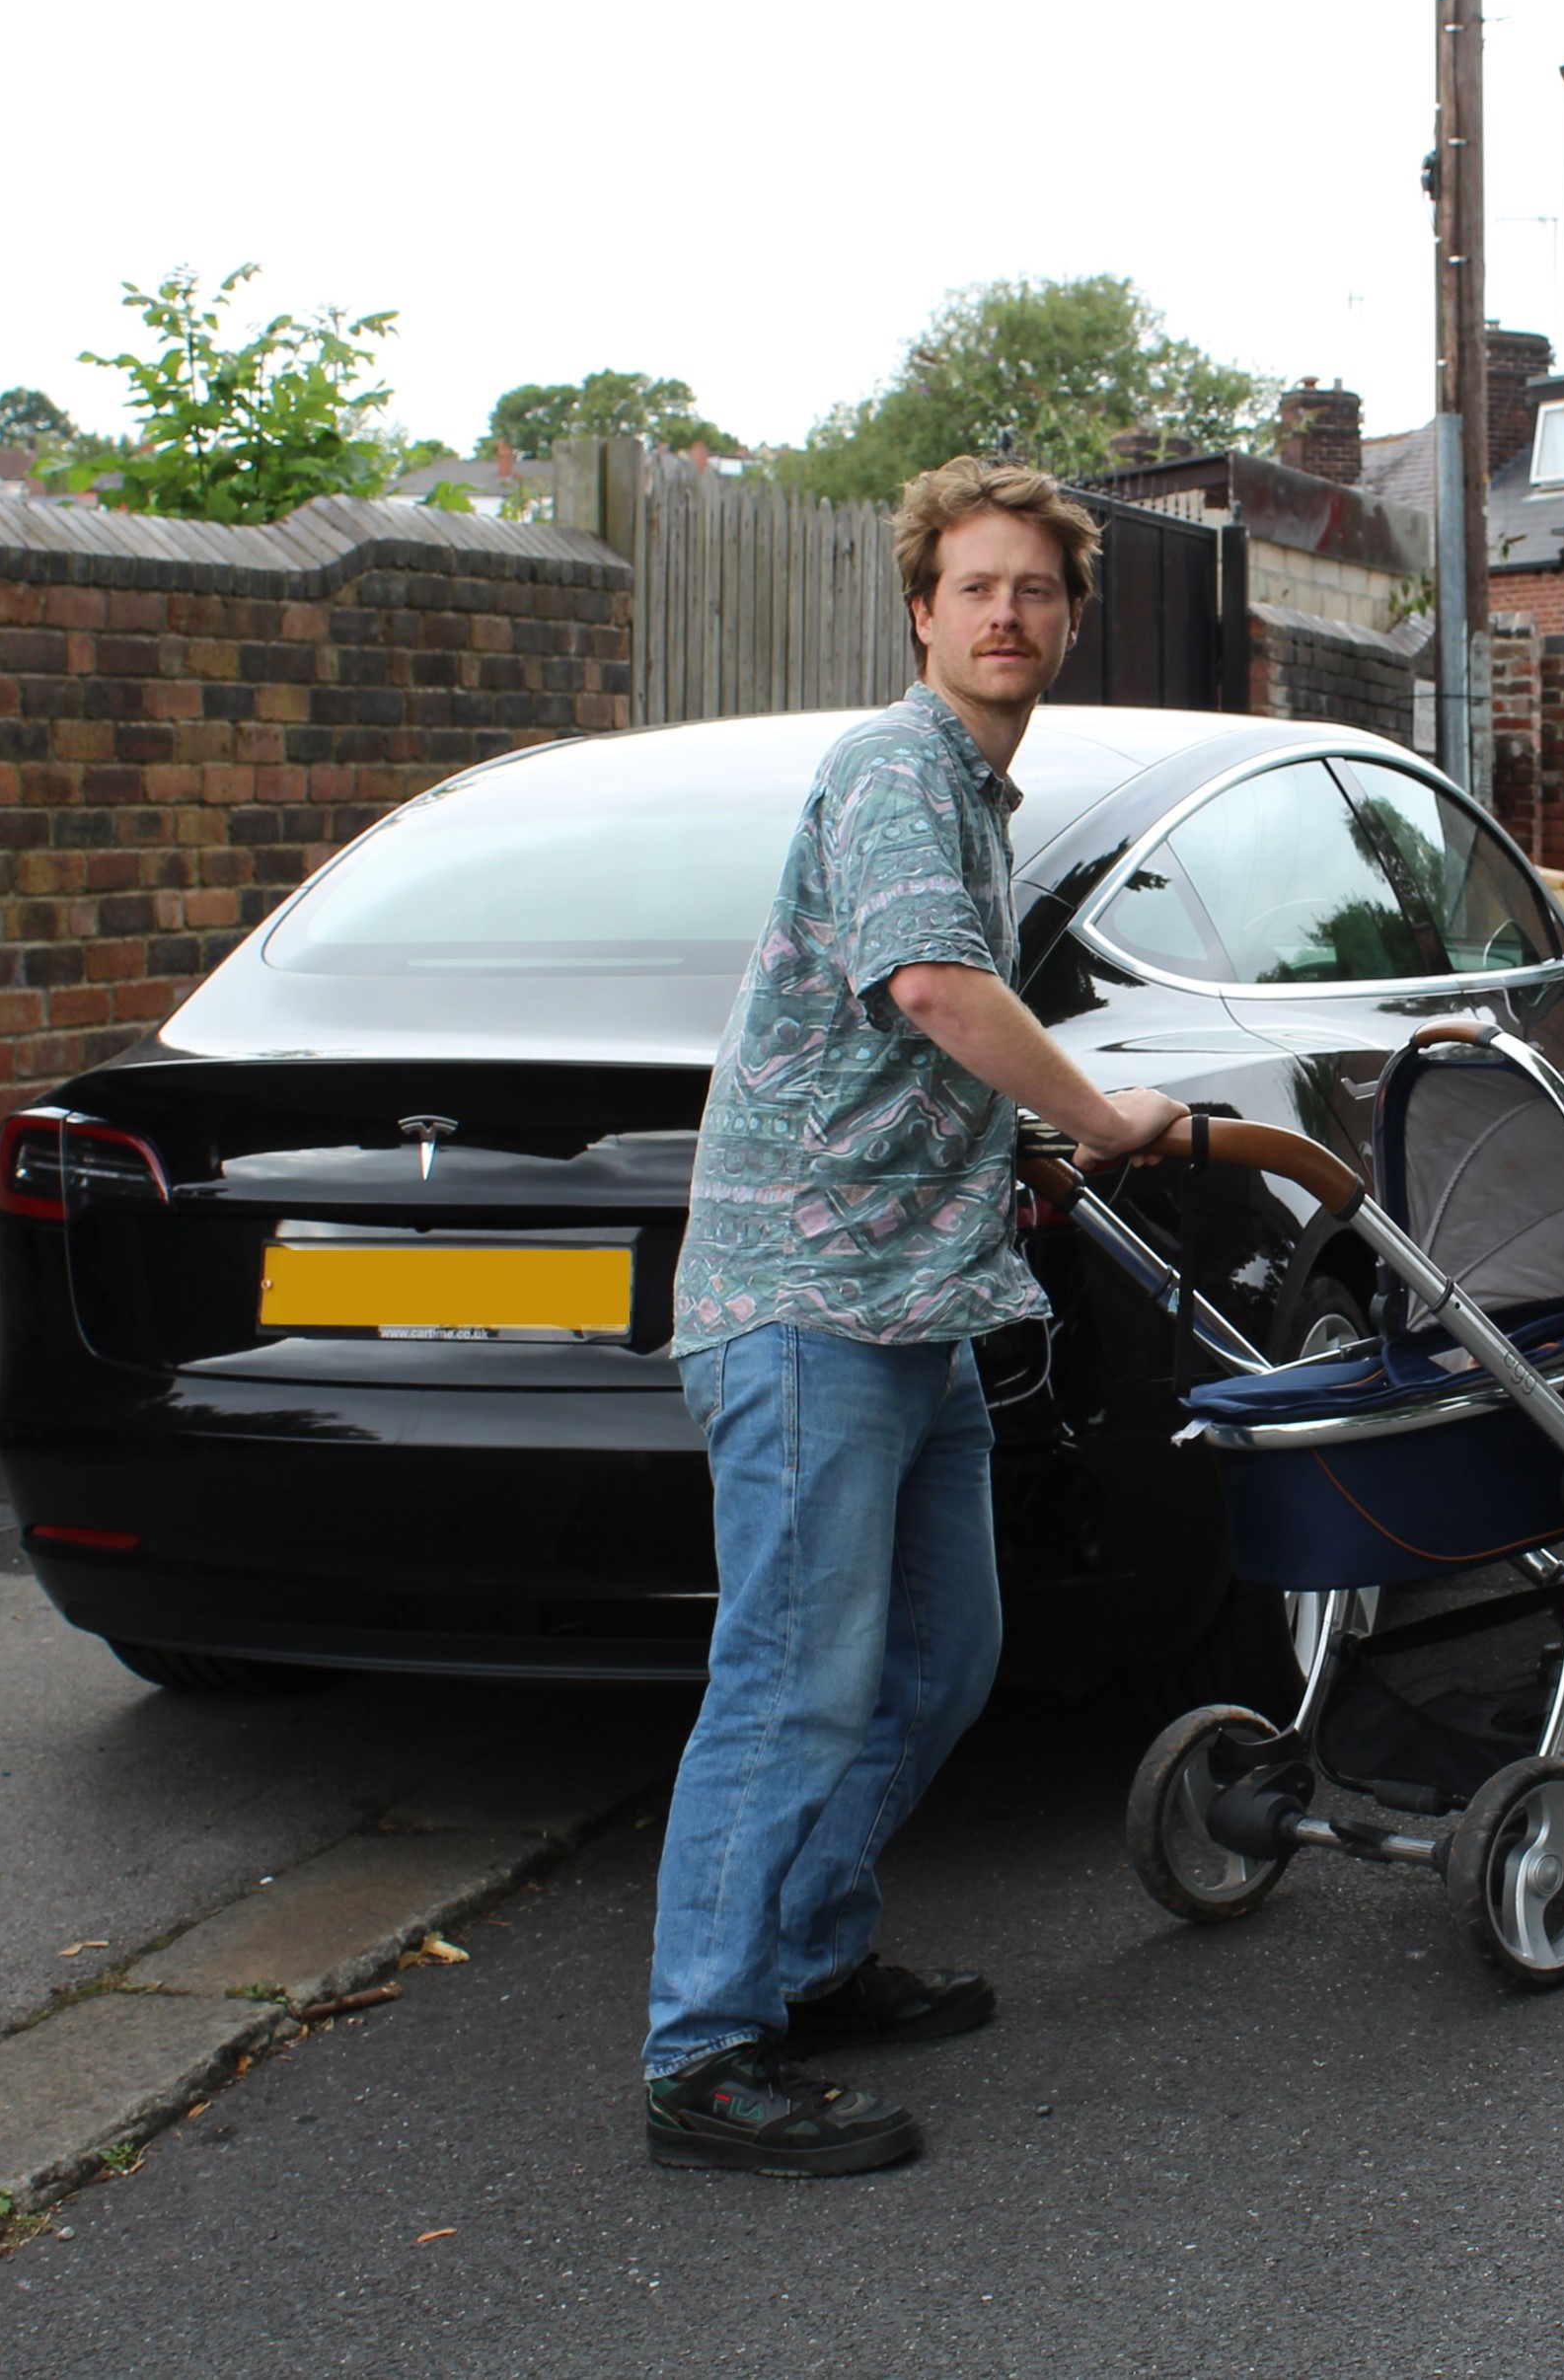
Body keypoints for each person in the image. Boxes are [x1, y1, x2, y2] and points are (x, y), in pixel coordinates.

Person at [643, 457, 1187, 2177]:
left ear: (1069, 616)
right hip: (806, 1305)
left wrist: (1009, 1145)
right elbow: (937, 989)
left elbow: (902, 1035)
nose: (1008, 613)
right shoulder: (896, 768)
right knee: (795, 1680)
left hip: (907, 1296)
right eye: (977, 587)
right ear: (921, 612)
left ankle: (803, 1959)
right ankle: (706, 2051)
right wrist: (1103, 1115)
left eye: (1036, 588)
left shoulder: (976, 791)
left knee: (942, 1662)